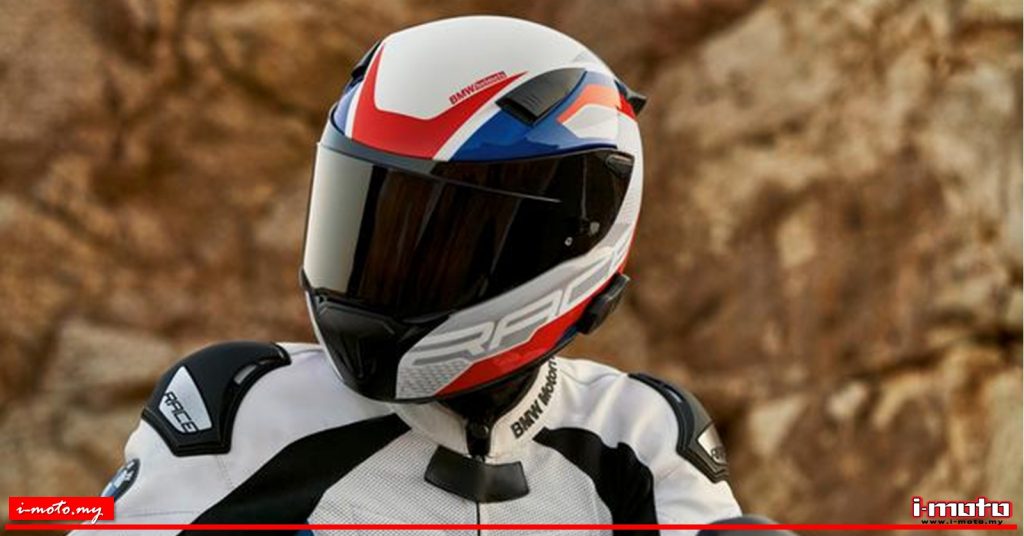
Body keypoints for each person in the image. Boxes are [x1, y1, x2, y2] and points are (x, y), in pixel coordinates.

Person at [82, 15, 790, 536]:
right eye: (371, 220)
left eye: (445, 240)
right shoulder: (242, 410)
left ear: (567, 247)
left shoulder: (639, 435)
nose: (389, 266)